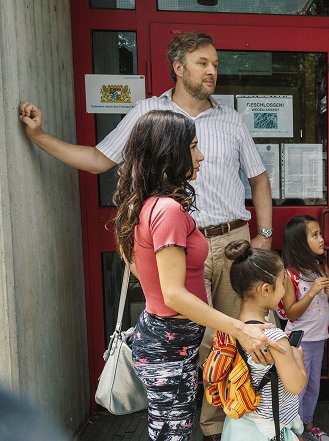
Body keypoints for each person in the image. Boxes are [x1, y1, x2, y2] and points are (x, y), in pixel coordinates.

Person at [18, 31, 273, 441]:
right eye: (203, 63)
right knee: (196, 344)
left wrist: (263, 235)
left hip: (231, 243)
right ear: (178, 67)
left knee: (229, 343)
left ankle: (215, 429)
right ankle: (186, 425)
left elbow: (259, 178)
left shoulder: (230, 119)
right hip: (176, 245)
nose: (212, 71)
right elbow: (100, 159)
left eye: (215, 64)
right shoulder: (149, 115)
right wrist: (38, 137)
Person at [112, 110, 282, 441]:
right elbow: (174, 294)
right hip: (169, 344)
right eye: (192, 147)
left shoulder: (149, 204)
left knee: (169, 432)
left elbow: (135, 261)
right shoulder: (168, 211)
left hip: (167, 339)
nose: (200, 156)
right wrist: (240, 330)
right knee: (172, 434)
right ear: (169, 153)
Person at [221, 239, 308, 441]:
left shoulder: (231, 329)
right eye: (282, 284)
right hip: (268, 429)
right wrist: (298, 358)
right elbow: (296, 385)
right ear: (265, 289)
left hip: (238, 425)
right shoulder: (274, 339)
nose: (285, 291)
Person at [281, 215, 329, 441]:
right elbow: (291, 312)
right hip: (299, 341)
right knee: (298, 387)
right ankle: (294, 432)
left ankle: (309, 425)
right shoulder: (290, 275)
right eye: (315, 235)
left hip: (319, 338)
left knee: (314, 385)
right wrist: (313, 292)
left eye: (320, 234)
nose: (321, 239)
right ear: (299, 243)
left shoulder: (320, 268)